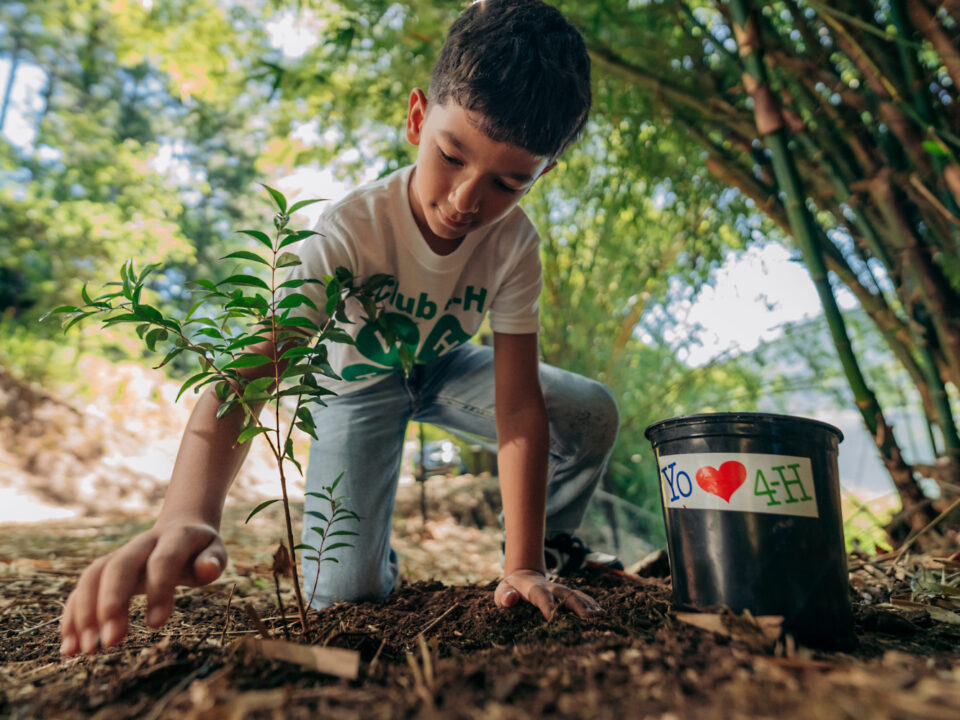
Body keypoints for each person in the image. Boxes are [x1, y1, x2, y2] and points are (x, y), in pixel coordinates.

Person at [59, 0, 621, 657]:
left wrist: (520, 562)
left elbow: (520, 404)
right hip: (352, 384)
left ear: (540, 175)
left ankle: (544, 562)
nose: (467, 200)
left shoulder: (515, 245)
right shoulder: (351, 231)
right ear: (417, 118)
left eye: (506, 183)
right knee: (346, 600)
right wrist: (187, 514)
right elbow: (250, 377)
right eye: (450, 155)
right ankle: (377, 569)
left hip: (442, 369)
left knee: (587, 412)